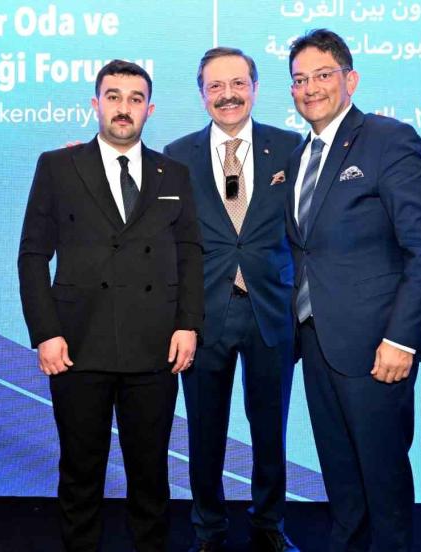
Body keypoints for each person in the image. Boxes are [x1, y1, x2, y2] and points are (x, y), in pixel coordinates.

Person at [18, 59, 204, 552]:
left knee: (151, 475)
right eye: (114, 96)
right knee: (81, 472)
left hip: (155, 347)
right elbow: (33, 254)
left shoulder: (174, 173)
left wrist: (188, 324)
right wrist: (46, 332)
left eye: (135, 99)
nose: (125, 108)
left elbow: (190, 253)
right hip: (78, 345)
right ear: (95, 104)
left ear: (150, 109)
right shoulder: (57, 167)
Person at [285, 29, 421, 552]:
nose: (310, 88)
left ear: (350, 80)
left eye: (322, 75)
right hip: (316, 342)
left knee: (383, 482)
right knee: (341, 482)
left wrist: (401, 339)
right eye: (299, 80)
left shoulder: (387, 140)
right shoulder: (299, 156)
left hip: (378, 348)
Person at [164, 48, 302, 552]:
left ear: (256, 88)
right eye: (216, 86)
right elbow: (169, 240)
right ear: (202, 94)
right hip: (203, 316)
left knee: (271, 430)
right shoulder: (176, 155)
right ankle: (209, 529)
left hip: (271, 310)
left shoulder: (289, 147)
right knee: (204, 431)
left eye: (238, 84)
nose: (228, 95)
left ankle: (269, 524)